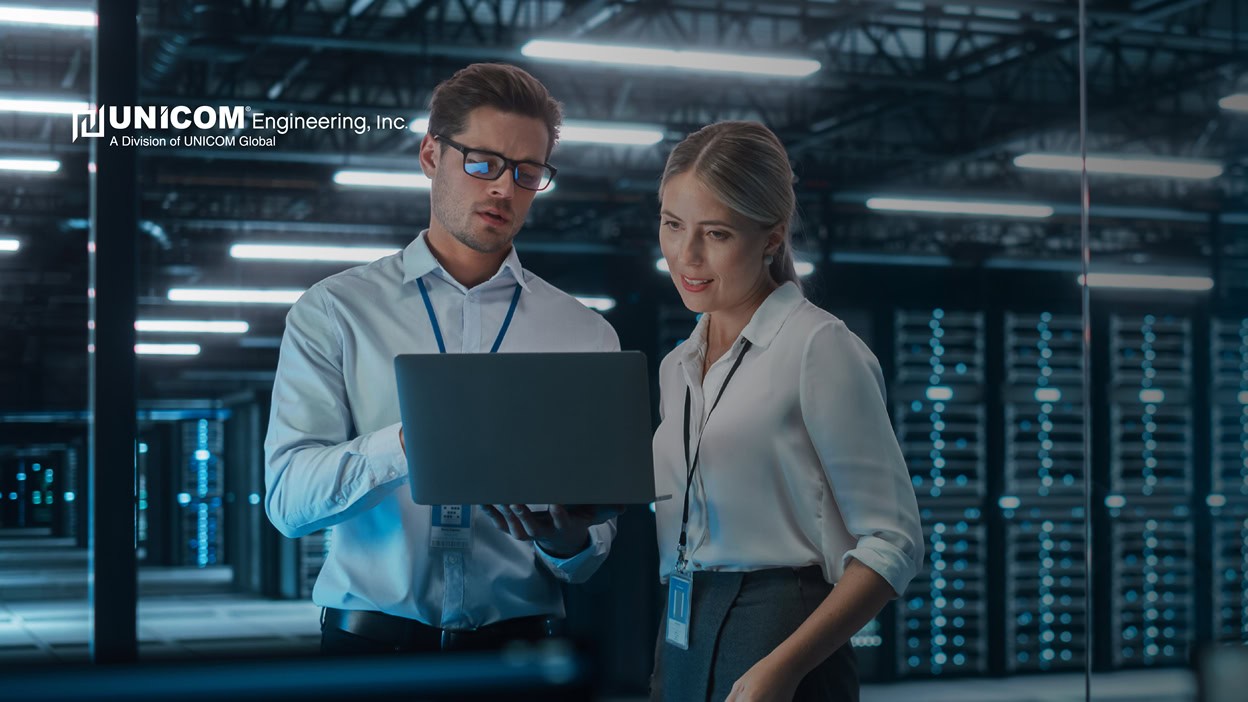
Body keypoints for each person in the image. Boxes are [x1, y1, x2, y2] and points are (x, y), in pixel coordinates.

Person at [264, 63, 621, 655]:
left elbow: (587, 560)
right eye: (482, 164)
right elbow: (288, 506)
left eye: (528, 173)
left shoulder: (584, 334)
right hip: (370, 656)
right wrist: (409, 444)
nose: (504, 188)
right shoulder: (334, 311)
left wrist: (568, 540)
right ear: (431, 154)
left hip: (519, 659)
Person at [649, 121, 924, 701]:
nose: (686, 255)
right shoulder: (677, 366)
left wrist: (787, 665)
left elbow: (893, 541)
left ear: (771, 238)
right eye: (673, 226)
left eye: (716, 234)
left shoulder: (817, 347)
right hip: (682, 625)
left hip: (784, 631)